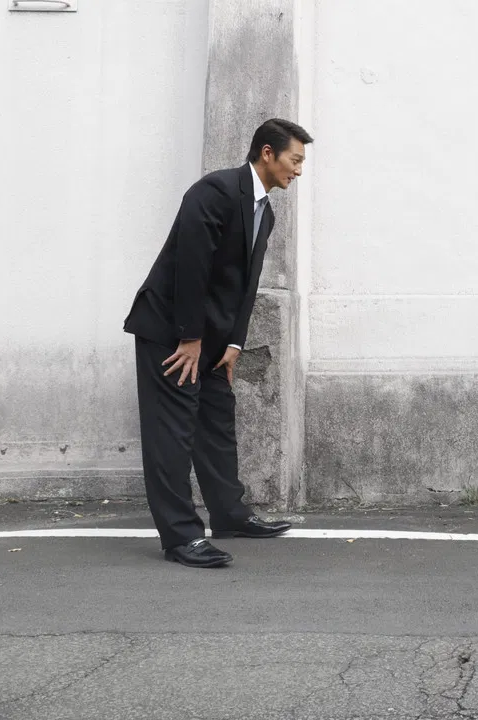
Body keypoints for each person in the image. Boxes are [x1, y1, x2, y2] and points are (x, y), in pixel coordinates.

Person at [123, 119, 313, 567]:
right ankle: (181, 537)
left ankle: (230, 514)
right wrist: (190, 338)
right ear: (267, 153)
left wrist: (234, 344)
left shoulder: (265, 211)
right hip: (171, 332)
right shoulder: (215, 191)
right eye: (295, 160)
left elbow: (246, 285)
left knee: (216, 421)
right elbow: (191, 267)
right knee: (171, 433)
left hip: (209, 338)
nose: (299, 171)